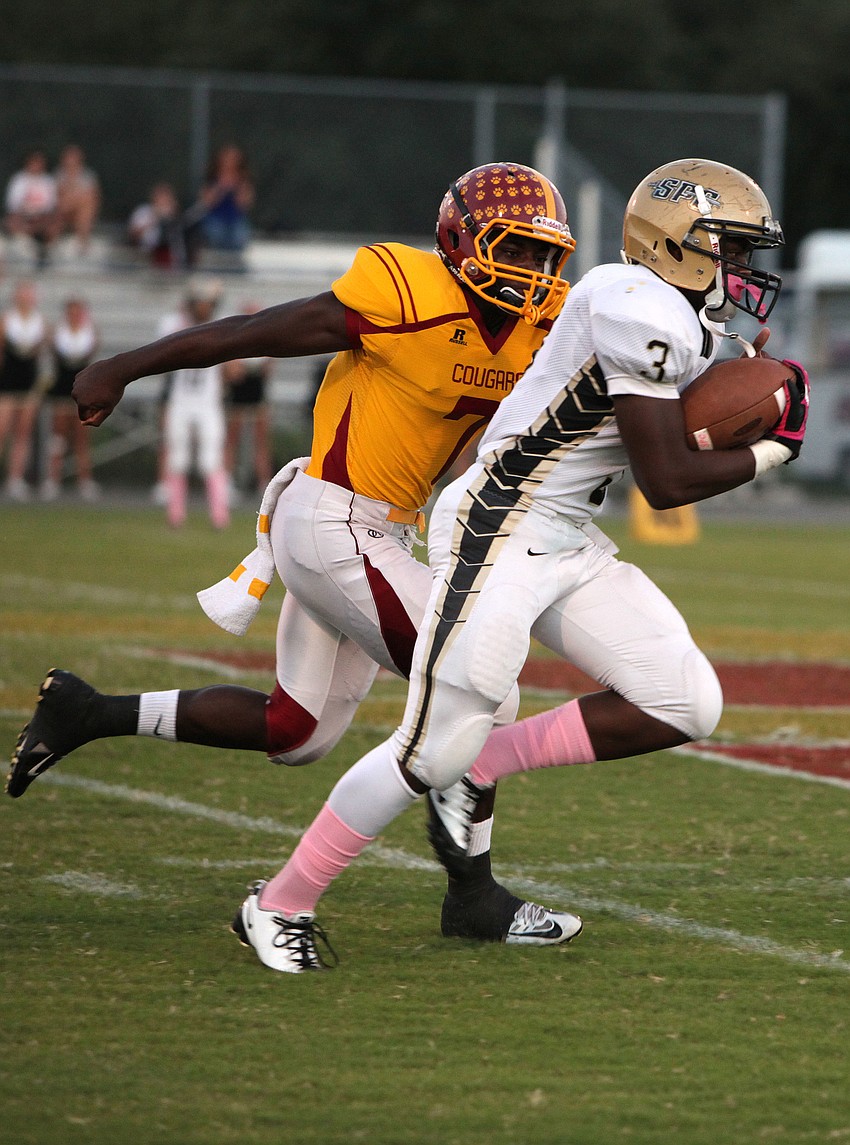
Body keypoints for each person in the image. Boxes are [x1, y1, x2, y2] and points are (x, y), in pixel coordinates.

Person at [219, 156, 807, 974]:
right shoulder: (631, 302)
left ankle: (484, 765)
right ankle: (280, 900)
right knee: (428, 749)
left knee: (685, 700)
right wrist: (774, 448)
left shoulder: (670, 314)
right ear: (678, 245)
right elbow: (667, 479)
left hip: (564, 535)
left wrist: (743, 381)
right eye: (729, 248)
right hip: (499, 527)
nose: (741, 268)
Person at [7, 161, 579, 947]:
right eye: (518, 251)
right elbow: (251, 333)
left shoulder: (537, 334)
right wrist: (127, 365)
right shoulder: (406, 288)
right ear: (461, 241)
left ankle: (87, 710)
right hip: (334, 519)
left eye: (547, 257)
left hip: (378, 529)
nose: (536, 274)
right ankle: (471, 896)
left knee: (295, 732)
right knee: (483, 682)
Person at [157, 277, 230, 528]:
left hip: (208, 401)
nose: (203, 308)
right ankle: (176, 513)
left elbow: (233, 371)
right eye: (199, 302)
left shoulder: (221, 328)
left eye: (207, 303)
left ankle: (219, 515)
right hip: (182, 399)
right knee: (178, 457)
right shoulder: (176, 325)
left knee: (211, 458)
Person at [40, 297, 100, 501]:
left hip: (82, 391)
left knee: (82, 438)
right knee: (58, 437)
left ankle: (84, 480)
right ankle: (52, 479)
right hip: (62, 390)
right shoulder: (59, 332)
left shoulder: (89, 332)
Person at [0, 280, 49, 500]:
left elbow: (39, 355)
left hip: (28, 382)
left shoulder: (40, 323)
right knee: (2, 430)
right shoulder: (6, 321)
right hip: (7, 382)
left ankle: (15, 478)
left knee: (23, 433)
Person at [224, 301, 274, 496]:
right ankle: (227, 481)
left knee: (261, 439)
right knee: (232, 438)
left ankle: (264, 482)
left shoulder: (266, 339)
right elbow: (231, 371)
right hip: (238, 391)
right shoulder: (235, 338)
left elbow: (268, 368)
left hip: (256, 389)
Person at [4, 149, 61, 267]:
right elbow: (13, 204)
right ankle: (26, 248)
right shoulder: (19, 179)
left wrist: (39, 216)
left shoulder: (48, 181)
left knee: (55, 223)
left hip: (42, 218)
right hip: (23, 216)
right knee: (12, 221)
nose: (36, 166)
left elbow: (51, 205)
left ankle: (46, 252)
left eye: (39, 163)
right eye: (34, 162)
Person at [194, 144, 255, 252]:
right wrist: (220, 187)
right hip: (215, 218)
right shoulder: (211, 177)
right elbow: (206, 202)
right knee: (216, 234)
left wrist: (238, 188)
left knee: (239, 236)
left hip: (235, 219)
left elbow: (245, 204)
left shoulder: (243, 179)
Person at [127, 183, 200, 270]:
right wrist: (155, 217)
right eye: (161, 196)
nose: (163, 200)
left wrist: (173, 215)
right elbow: (133, 234)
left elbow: (181, 232)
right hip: (144, 254)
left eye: (166, 197)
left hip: (168, 254)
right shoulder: (143, 211)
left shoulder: (173, 215)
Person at [54, 145, 101, 255]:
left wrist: (74, 197)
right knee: (84, 202)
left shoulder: (88, 175)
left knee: (86, 205)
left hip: (79, 212)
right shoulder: (58, 174)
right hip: (62, 211)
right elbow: (58, 197)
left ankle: (82, 241)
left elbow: (94, 197)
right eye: (68, 157)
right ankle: (83, 241)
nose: (71, 161)